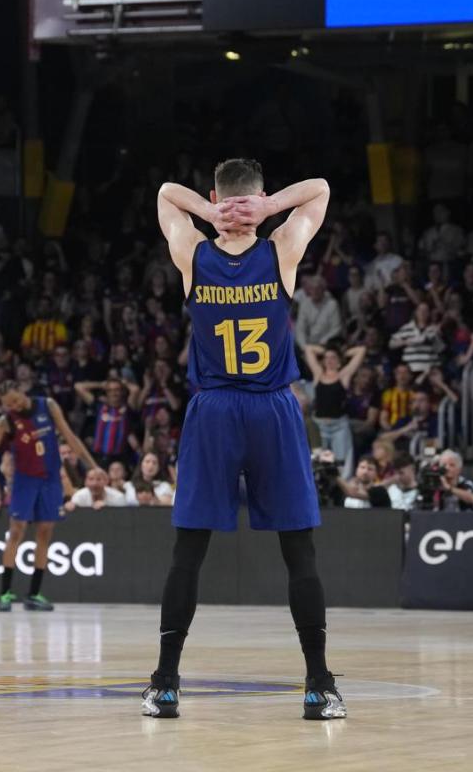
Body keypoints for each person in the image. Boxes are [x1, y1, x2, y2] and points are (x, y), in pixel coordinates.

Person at [143, 160, 344, 721]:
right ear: (257, 201)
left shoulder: (192, 252)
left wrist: (206, 213)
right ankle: (319, 686)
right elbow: (321, 186)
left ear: (215, 195)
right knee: (298, 551)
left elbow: (164, 191)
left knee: (190, 550)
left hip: (213, 410)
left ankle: (164, 684)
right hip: (273, 407)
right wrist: (273, 205)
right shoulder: (282, 249)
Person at [0, 387, 100, 609]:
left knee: (45, 533)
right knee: (16, 533)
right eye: (8, 404)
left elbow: (71, 437)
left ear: (23, 393)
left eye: (16, 401)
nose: (14, 407)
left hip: (50, 480)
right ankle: (5, 594)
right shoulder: (5, 422)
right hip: (25, 481)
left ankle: (34, 594)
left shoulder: (48, 406)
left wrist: (94, 466)